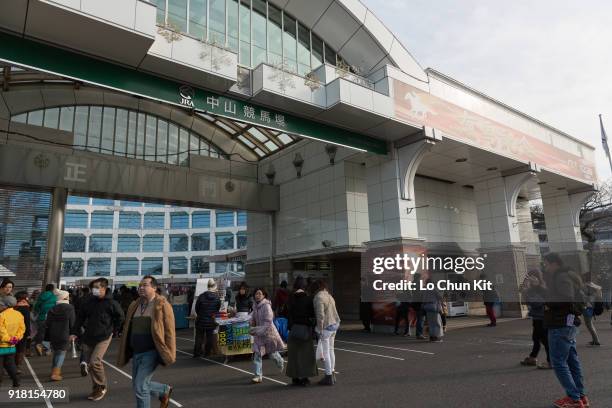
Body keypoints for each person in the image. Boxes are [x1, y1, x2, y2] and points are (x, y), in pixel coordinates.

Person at [117, 276, 176, 408]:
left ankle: (162, 392)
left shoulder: (162, 305)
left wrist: (170, 352)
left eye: (145, 285)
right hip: (136, 352)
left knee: (140, 387)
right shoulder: (135, 305)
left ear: (154, 288)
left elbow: (170, 331)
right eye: (140, 285)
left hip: (152, 352)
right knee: (138, 385)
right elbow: (129, 327)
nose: (141, 288)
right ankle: (164, 390)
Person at [543, 253, 589, 408]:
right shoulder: (568, 275)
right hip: (568, 323)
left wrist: (548, 302)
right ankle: (580, 396)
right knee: (572, 361)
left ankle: (574, 398)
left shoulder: (561, 277)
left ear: (554, 263)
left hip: (560, 324)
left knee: (559, 363)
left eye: (547, 264)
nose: (546, 267)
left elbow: (566, 297)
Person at [71, 278, 124, 401]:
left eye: (96, 287)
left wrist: (114, 330)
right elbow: (80, 317)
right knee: (90, 363)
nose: (93, 290)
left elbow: (120, 317)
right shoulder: (88, 301)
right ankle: (95, 387)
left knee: (95, 361)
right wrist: (74, 332)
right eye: (92, 288)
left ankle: (101, 386)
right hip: (89, 335)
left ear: (104, 288)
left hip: (104, 336)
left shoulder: (112, 303)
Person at [286, 277, 318, 386]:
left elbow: (287, 314)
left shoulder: (291, 298)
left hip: (294, 330)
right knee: (306, 355)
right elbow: (313, 316)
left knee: (294, 356)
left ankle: (295, 378)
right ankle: (305, 378)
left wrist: (291, 326)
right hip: (305, 330)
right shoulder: (309, 299)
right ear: (305, 286)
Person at [250, 287, 285, 384]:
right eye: (256, 294)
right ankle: (258, 375)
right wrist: (251, 323)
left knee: (272, 354)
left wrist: (259, 330)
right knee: (257, 354)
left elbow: (268, 321)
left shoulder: (266, 306)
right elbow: (253, 318)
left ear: (264, 295)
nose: (257, 296)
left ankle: (280, 361)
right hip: (259, 333)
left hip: (269, 334)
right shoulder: (254, 306)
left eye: (259, 294)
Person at [519, 269, 551, 369]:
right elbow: (526, 303)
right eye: (527, 277)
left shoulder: (542, 288)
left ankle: (551, 361)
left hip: (542, 318)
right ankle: (532, 357)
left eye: (530, 277)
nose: (528, 280)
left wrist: (526, 291)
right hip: (537, 317)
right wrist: (524, 292)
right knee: (536, 338)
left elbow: (537, 303)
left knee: (545, 340)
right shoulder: (533, 289)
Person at [312, 280, 340, 386]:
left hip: (327, 327)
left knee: (325, 352)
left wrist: (320, 329)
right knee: (331, 350)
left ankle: (328, 376)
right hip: (335, 324)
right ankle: (332, 373)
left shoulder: (318, 297)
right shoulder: (329, 296)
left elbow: (320, 316)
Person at [45, 290, 75, 381]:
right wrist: (73, 333)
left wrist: (47, 336)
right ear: (65, 298)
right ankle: (55, 373)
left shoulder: (52, 309)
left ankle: (54, 370)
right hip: (65, 333)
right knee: (61, 353)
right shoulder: (70, 308)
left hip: (53, 334)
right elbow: (72, 322)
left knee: (56, 352)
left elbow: (48, 323)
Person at [0, 296, 25, 388]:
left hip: (1, 345)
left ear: (5, 305)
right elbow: (22, 329)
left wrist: (8, 339)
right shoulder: (19, 315)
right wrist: (15, 339)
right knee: (10, 364)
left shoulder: (1, 316)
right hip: (12, 345)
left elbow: (1, 331)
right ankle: (16, 380)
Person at [193, 279, 221, 358]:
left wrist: (201, 315)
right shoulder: (217, 298)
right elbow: (217, 310)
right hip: (211, 320)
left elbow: (196, 308)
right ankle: (207, 353)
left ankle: (197, 353)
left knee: (199, 337)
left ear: (207, 286)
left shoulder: (201, 296)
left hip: (201, 319)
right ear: (214, 287)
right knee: (209, 337)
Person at [33, 284, 57, 356]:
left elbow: (36, 306)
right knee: (49, 333)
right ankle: (47, 349)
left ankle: (39, 345)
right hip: (51, 317)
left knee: (41, 332)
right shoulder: (54, 297)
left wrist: (38, 312)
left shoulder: (41, 296)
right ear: (52, 289)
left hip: (41, 317)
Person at [13, 291, 31, 375]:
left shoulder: (14, 306)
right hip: (22, 332)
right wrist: (28, 333)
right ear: (24, 298)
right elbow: (27, 321)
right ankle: (18, 367)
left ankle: (10, 366)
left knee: (14, 347)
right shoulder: (25, 308)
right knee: (20, 349)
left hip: (12, 331)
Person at [422, 278, 444, 342]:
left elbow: (423, 299)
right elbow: (440, 296)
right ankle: (435, 337)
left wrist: (423, 306)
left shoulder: (425, 289)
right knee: (436, 323)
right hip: (434, 307)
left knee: (431, 323)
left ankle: (431, 337)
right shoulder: (434, 288)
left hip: (427, 307)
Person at [582, 277, 602, 346]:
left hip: (588, 308)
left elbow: (587, 300)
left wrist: (583, 295)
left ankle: (596, 340)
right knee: (590, 325)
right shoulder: (594, 290)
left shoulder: (590, 291)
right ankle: (595, 340)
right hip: (589, 308)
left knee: (589, 325)